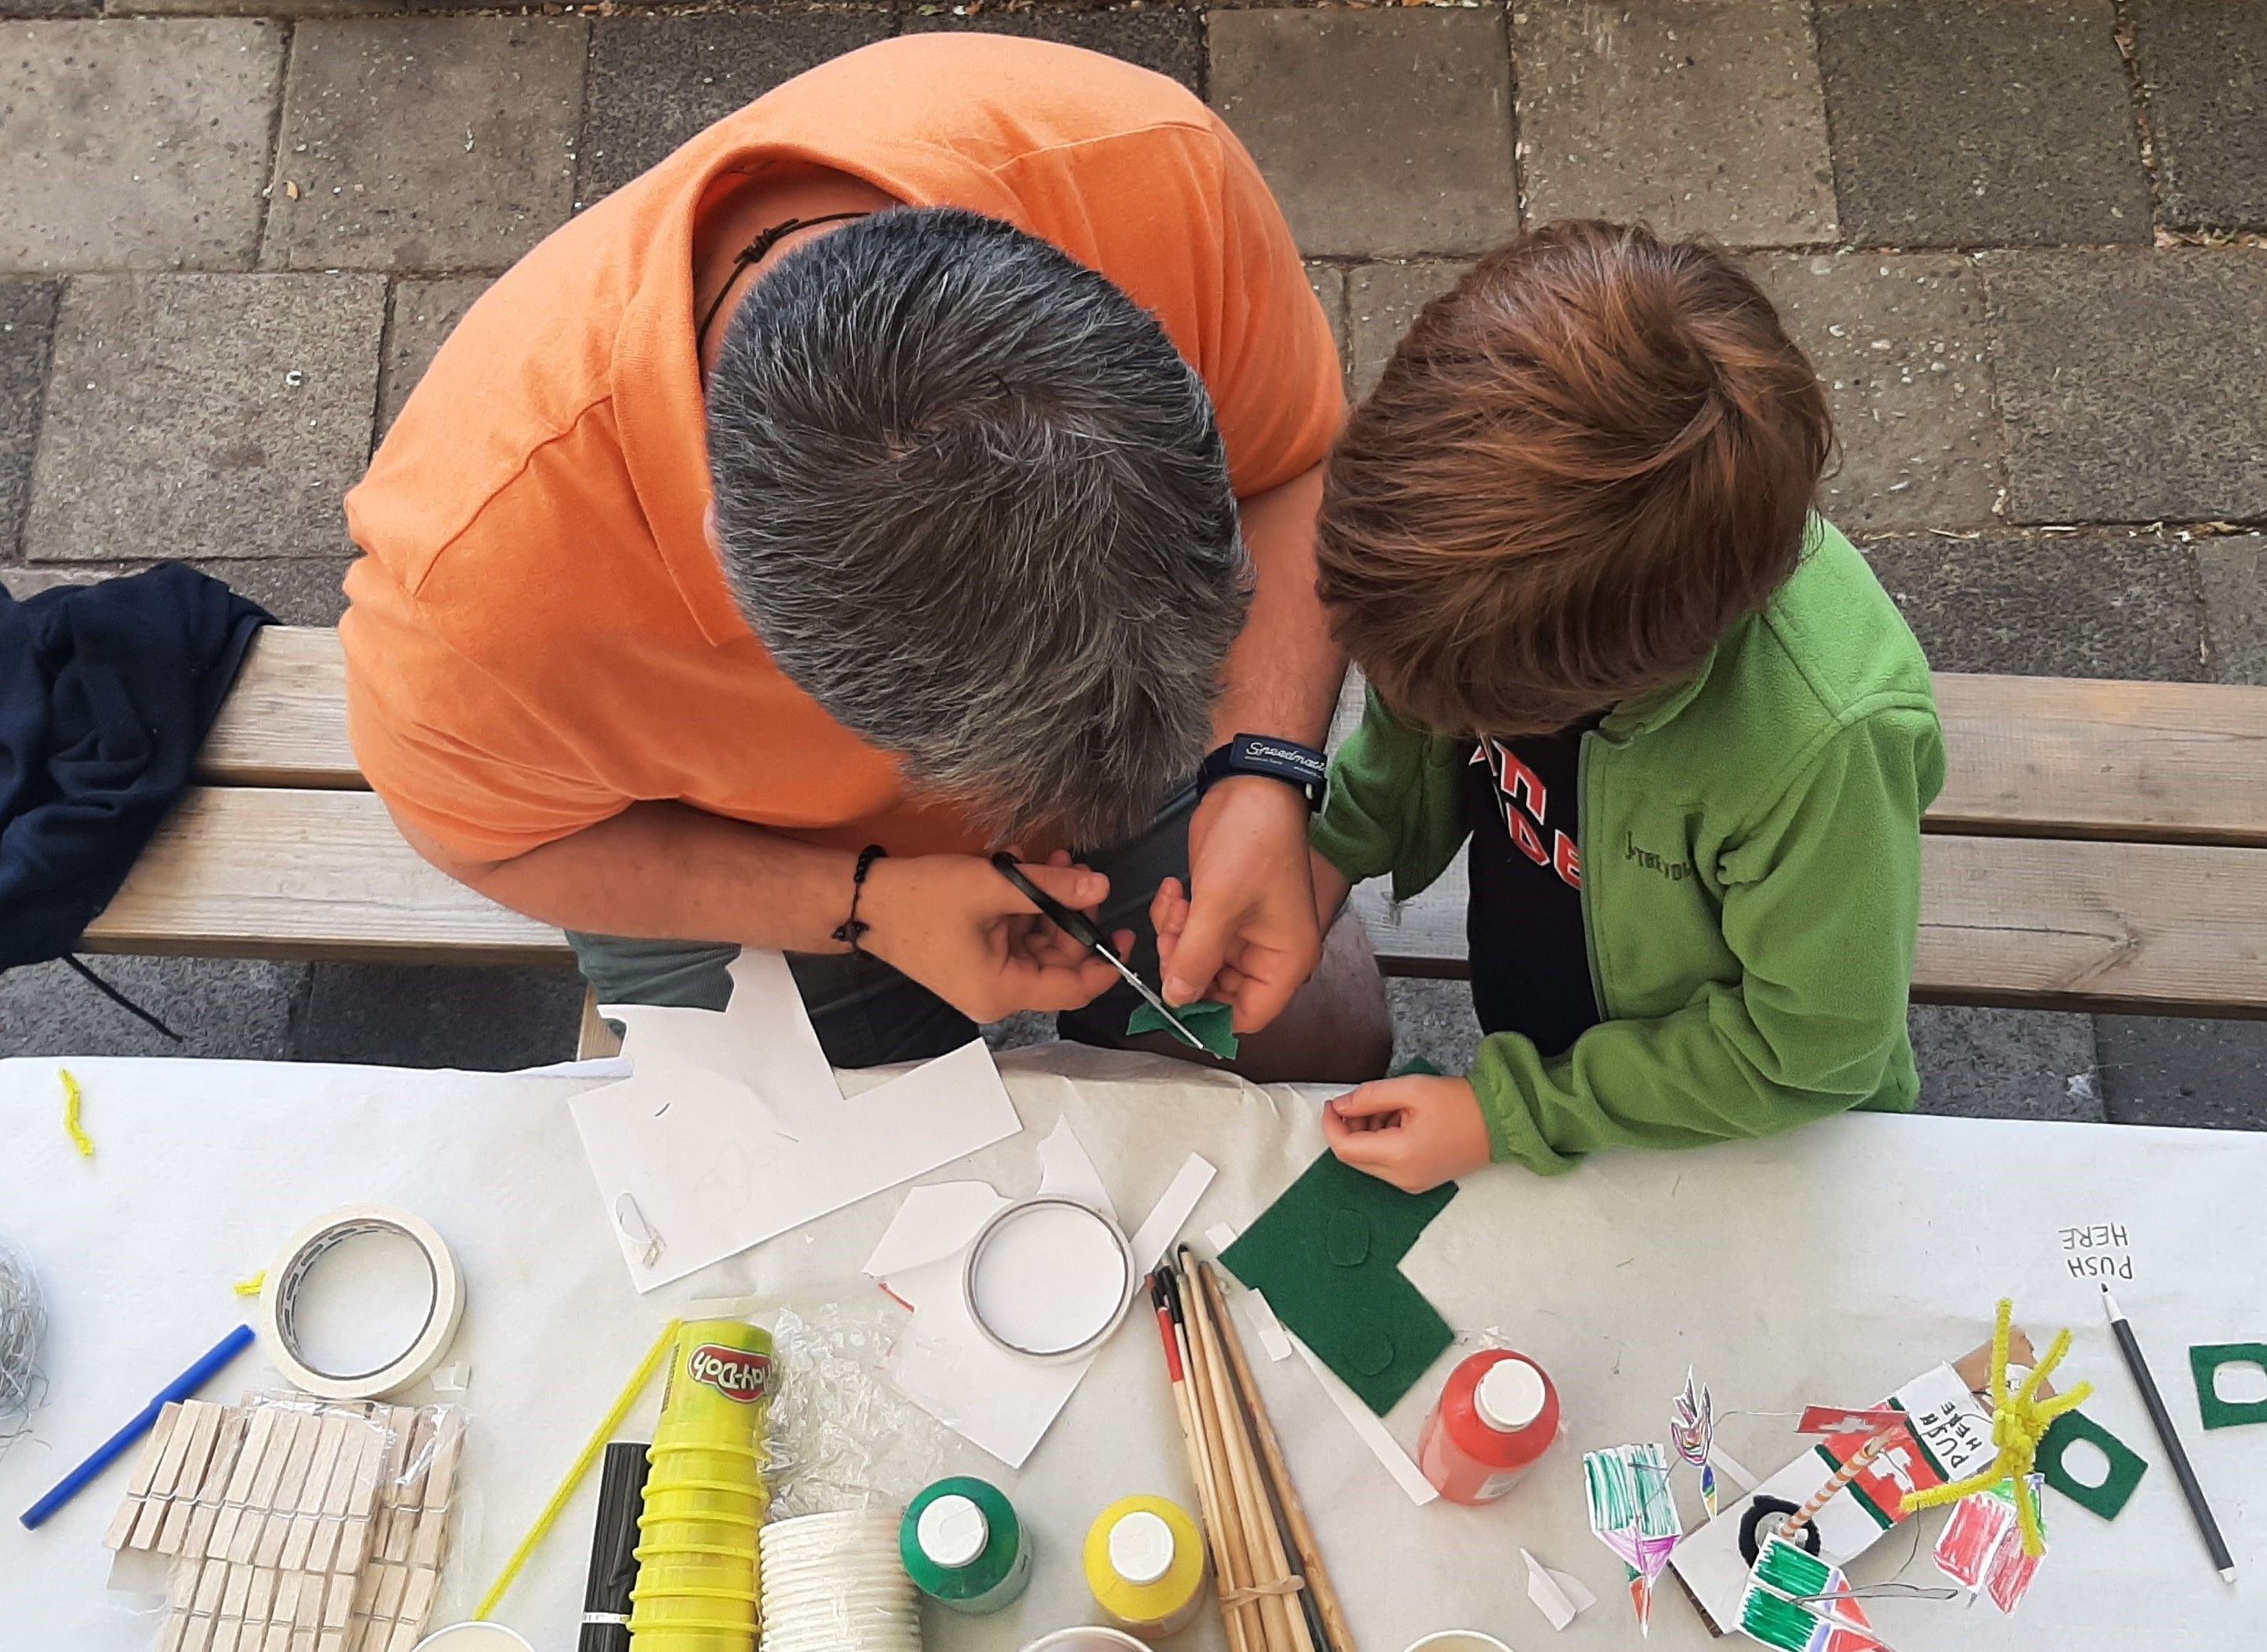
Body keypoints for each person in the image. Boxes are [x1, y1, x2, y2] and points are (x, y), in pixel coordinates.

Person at [342, 34, 1390, 1077]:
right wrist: (861, 906)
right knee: (782, 1178)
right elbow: (496, 842)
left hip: (1138, 722)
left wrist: (1260, 766)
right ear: (728, 558)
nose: (1071, 835)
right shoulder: (472, 594)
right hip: (752, 865)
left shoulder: (1156, 169)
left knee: (1323, 1036)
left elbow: (1298, 471)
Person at [1235, 221, 1945, 1189]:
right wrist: (1325, 854)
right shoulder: (1509, 597)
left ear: (1612, 679)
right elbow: (1414, 715)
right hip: (1555, 991)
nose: (1432, 712)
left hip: (1750, 1131)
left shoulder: (1824, 747)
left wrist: (1514, 1111)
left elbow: (1809, 1053)